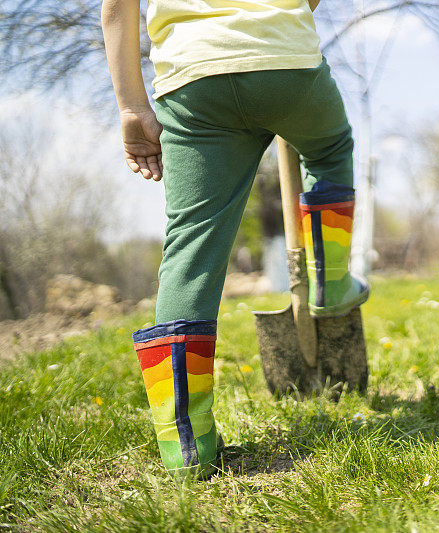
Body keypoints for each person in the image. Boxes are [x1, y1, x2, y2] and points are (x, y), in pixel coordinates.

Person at [101, 0, 369, 478]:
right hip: (286, 61)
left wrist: (131, 106)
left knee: (191, 243)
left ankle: (185, 443)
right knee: (330, 152)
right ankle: (330, 284)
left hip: (191, 78)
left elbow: (116, 7)